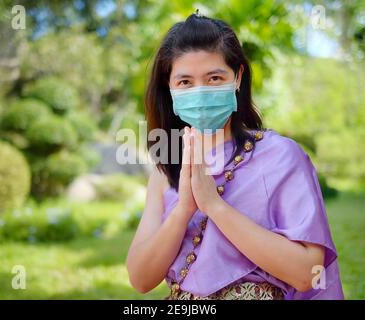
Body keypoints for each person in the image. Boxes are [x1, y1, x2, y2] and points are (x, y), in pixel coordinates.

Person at [126, 12, 344, 300]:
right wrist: (183, 211)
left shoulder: (280, 156)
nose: (200, 92)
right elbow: (140, 279)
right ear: (170, 88)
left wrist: (214, 205)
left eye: (214, 78)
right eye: (185, 82)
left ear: (237, 77)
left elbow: (308, 274)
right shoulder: (166, 171)